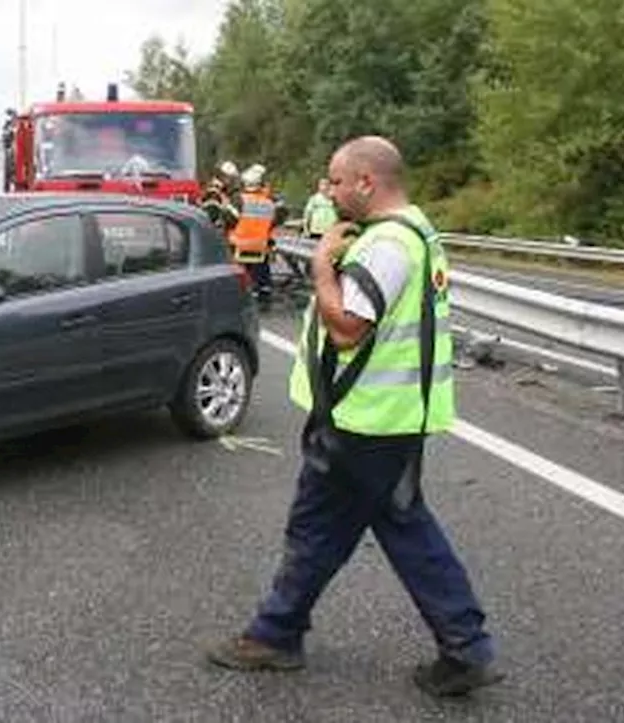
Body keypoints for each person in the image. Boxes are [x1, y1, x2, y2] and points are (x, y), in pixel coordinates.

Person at [205, 135, 505, 698]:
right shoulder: (415, 230)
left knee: (327, 527)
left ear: (367, 182)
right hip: (383, 415)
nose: (330, 190)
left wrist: (321, 265)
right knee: (383, 525)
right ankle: (458, 645)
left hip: (363, 419)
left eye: (338, 181)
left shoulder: (388, 245)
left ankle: (278, 634)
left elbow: (348, 327)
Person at [227, 164, 279, 304]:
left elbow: (228, 219)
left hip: (239, 245)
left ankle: (240, 297)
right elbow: (275, 220)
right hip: (260, 246)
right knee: (261, 274)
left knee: (238, 276)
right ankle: (263, 294)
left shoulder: (238, 200)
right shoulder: (268, 202)